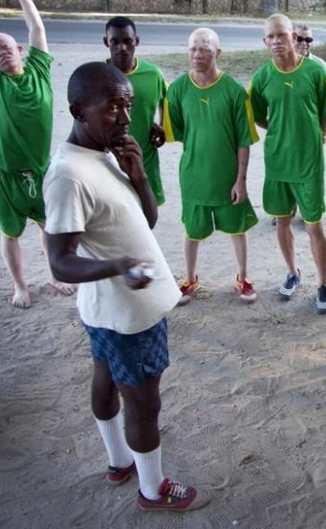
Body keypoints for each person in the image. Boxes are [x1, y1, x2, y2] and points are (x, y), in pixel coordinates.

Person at [44, 61, 208, 512]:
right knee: (144, 405)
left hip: (110, 309)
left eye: (128, 105)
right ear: (78, 110)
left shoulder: (105, 152)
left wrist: (136, 173)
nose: (124, 116)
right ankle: (153, 490)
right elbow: (60, 262)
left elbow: (146, 220)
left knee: (106, 378)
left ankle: (119, 462)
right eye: (112, 106)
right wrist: (117, 265)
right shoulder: (67, 176)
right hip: (125, 314)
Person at [0, 0, 73, 308]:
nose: (2, 54)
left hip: (41, 169)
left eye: (7, 48)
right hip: (6, 173)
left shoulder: (38, 70)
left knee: (49, 226)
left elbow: (36, 27)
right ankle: (20, 285)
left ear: (20, 50)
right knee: (10, 232)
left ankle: (55, 275)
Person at [250, 14, 326, 314]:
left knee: (313, 225)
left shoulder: (315, 71)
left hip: (308, 163)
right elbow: (258, 114)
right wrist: (277, 129)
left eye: (282, 35)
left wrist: (320, 135)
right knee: (282, 221)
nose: (276, 41)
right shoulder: (262, 77)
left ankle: (324, 282)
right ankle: (292, 272)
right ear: (265, 41)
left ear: (293, 37)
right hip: (277, 161)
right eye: (270, 37)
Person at [166, 27, 259, 305]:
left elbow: (244, 139)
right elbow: (179, 130)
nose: (197, 54)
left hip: (227, 177)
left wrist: (240, 180)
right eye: (193, 48)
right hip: (193, 177)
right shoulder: (178, 89)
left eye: (204, 49)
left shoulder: (234, 92)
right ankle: (190, 278)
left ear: (217, 53)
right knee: (192, 231)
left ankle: (242, 278)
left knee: (237, 229)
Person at [103, 16, 168, 205]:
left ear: (136, 41)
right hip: (109, 163)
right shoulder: (99, 76)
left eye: (127, 41)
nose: (121, 48)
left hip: (145, 159)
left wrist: (162, 126)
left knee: (147, 216)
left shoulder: (153, 74)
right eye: (115, 41)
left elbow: (166, 100)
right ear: (106, 41)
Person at [294, 23, 326, 104]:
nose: (304, 43)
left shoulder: (321, 66)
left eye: (308, 40)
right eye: (299, 39)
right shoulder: (282, 65)